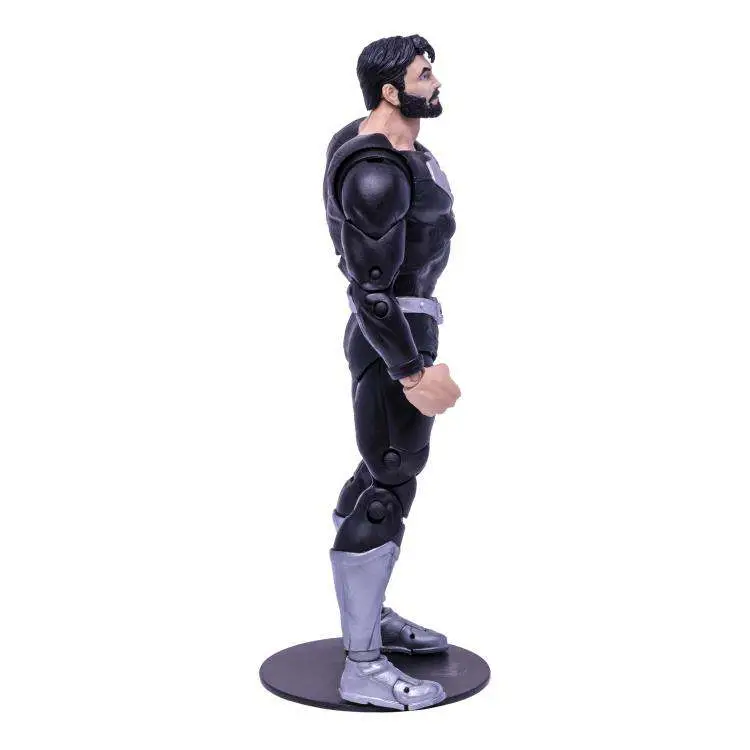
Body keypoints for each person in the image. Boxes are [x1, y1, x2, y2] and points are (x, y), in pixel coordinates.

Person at [322, 34, 461, 710]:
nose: (435, 82)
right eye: (423, 73)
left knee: (378, 469)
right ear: (389, 90)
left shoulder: (398, 146)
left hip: (409, 324)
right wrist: (412, 373)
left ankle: (367, 614)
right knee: (389, 482)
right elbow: (370, 290)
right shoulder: (374, 169)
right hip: (392, 336)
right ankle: (362, 665)